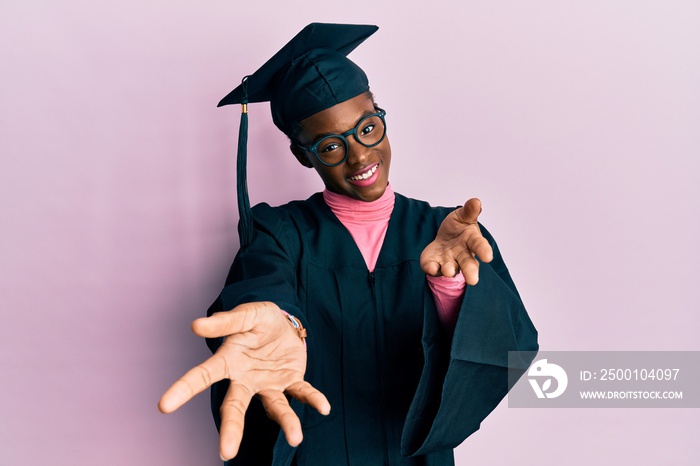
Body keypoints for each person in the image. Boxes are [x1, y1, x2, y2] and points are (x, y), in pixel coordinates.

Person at [159, 23, 538, 466]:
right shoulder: (279, 233)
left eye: (367, 128)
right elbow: (262, 287)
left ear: (381, 118)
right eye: (330, 145)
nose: (358, 156)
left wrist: (451, 288)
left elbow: (506, 349)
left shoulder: (444, 233)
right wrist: (280, 322)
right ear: (303, 155)